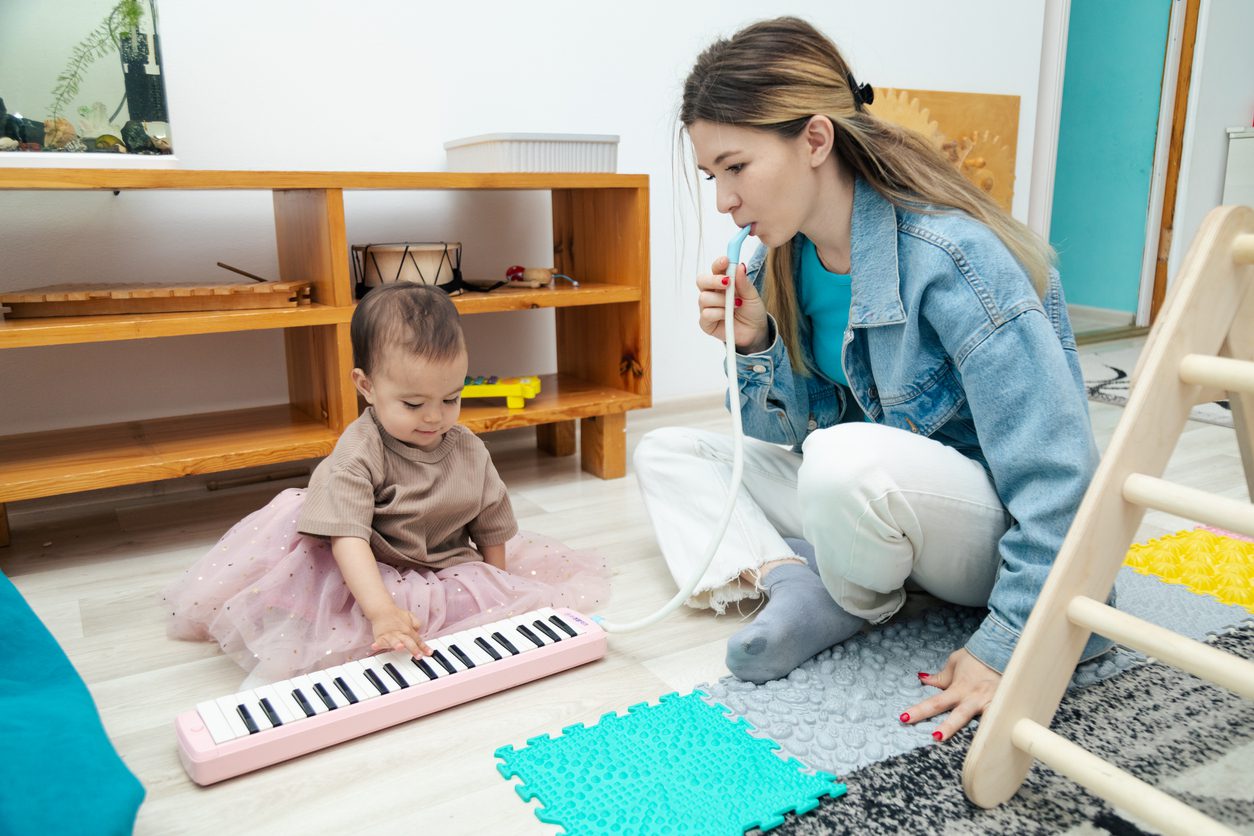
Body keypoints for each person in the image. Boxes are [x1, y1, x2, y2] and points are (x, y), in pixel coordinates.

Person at [634, 16, 1111, 742]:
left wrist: (1010, 645)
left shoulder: (952, 260)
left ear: (816, 140)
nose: (724, 201)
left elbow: (1062, 481)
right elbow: (782, 438)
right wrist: (756, 342)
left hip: (982, 531)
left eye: (736, 167)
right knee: (668, 453)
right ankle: (798, 583)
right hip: (876, 502)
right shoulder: (777, 267)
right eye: (712, 177)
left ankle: (851, 593)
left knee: (842, 457)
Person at [164, 283, 609, 683]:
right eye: (414, 403)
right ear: (367, 385)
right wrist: (381, 612)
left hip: (437, 555)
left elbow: (491, 522)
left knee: (487, 596)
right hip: (362, 559)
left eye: (451, 398)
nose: (435, 416)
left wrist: (497, 586)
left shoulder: (467, 448)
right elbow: (347, 539)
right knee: (319, 592)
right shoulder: (358, 454)